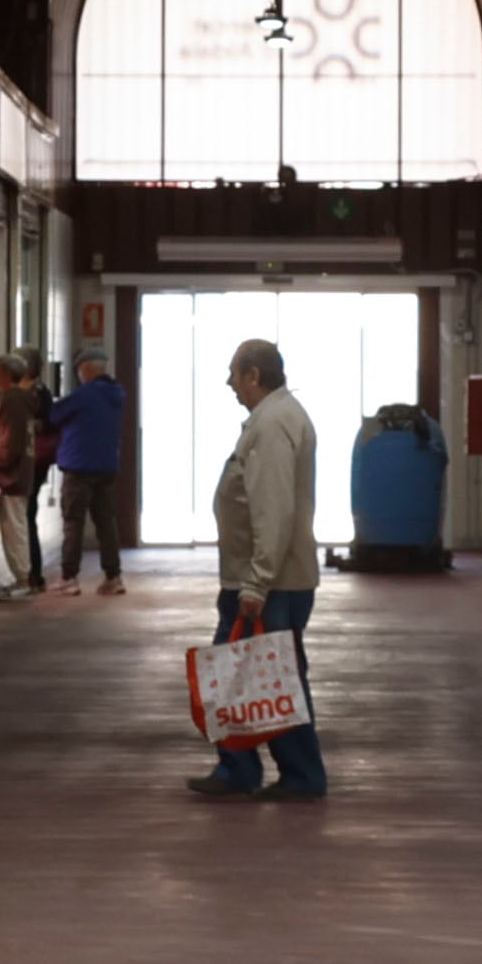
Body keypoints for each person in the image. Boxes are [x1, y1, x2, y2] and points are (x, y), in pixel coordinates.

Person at [191, 335, 326, 799]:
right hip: (269, 576)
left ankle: (264, 771)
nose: (228, 382)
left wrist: (257, 581)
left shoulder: (272, 424)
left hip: (270, 581)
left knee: (258, 673)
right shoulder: (274, 418)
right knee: (269, 672)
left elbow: (273, 508)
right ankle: (270, 769)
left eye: (234, 372)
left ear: (254, 375)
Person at [49, 351, 129, 593]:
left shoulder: (84, 395)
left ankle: (69, 578)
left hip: (79, 467)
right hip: (106, 467)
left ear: (86, 370)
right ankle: (113, 577)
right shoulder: (117, 394)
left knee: (74, 522)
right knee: (106, 522)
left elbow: (54, 415)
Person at [0, 355, 48, 599]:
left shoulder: (13, 401)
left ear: (7, 374)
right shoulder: (24, 400)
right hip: (21, 473)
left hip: (12, 475)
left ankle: (22, 579)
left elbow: (11, 441)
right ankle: (23, 577)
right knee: (17, 527)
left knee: (14, 529)